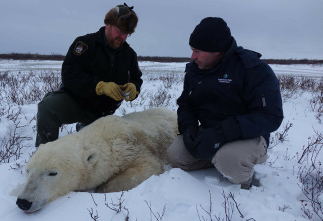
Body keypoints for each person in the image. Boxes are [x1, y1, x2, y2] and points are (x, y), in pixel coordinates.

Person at [167, 17, 284, 189]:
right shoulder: (195, 70)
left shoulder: (253, 69)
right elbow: (186, 103)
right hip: (209, 132)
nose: (192, 57)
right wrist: (189, 129)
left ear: (217, 51)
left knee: (229, 160)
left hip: (248, 136)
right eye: (192, 50)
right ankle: (216, 158)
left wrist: (222, 133)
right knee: (175, 155)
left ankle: (241, 177)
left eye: (197, 51)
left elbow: (271, 116)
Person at [35, 3, 143, 147]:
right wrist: (99, 86)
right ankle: (44, 153)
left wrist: (134, 87)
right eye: (119, 30)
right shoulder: (84, 44)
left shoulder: (129, 55)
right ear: (107, 24)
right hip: (76, 102)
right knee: (47, 107)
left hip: (102, 113)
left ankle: (86, 128)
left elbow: (136, 78)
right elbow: (69, 75)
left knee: (92, 149)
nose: (122, 36)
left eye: (126, 33)